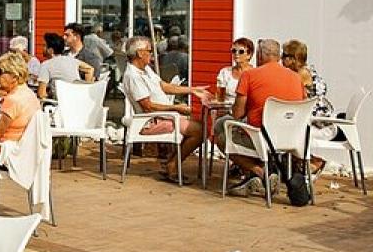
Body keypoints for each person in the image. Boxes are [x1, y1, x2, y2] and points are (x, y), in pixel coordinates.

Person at [214, 38, 306, 195]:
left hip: (261, 139)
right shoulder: (296, 78)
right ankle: (259, 175)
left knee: (222, 134)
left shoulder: (249, 75)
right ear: (278, 56)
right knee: (230, 126)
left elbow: (237, 114)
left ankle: (260, 172)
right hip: (291, 139)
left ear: (260, 55)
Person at [121, 36, 210, 184]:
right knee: (200, 130)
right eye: (149, 50)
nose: (152, 54)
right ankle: (172, 165)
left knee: (201, 125)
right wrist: (176, 108)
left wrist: (193, 90)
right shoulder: (133, 76)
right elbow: (148, 106)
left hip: (163, 116)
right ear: (139, 53)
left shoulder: (145, 69)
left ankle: (172, 163)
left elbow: (163, 86)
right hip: (150, 121)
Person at [282, 39, 334, 163]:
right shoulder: (306, 70)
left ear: (293, 58)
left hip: (320, 126)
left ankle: (314, 163)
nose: (281, 58)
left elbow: (286, 96)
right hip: (315, 122)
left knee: (284, 134)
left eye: (284, 55)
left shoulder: (301, 74)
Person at [0, 53, 42, 168]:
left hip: (8, 154)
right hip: (26, 151)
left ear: (14, 76)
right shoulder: (29, 94)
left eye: (0, 72)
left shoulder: (13, 100)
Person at [36, 33, 94, 100]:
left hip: (59, 103)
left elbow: (41, 94)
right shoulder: (71, 60)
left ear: (50, 50)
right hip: (78, 99)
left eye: (44, 46)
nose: (42, 48)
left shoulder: (46, 65)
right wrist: (86, 88)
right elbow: (90, 69)